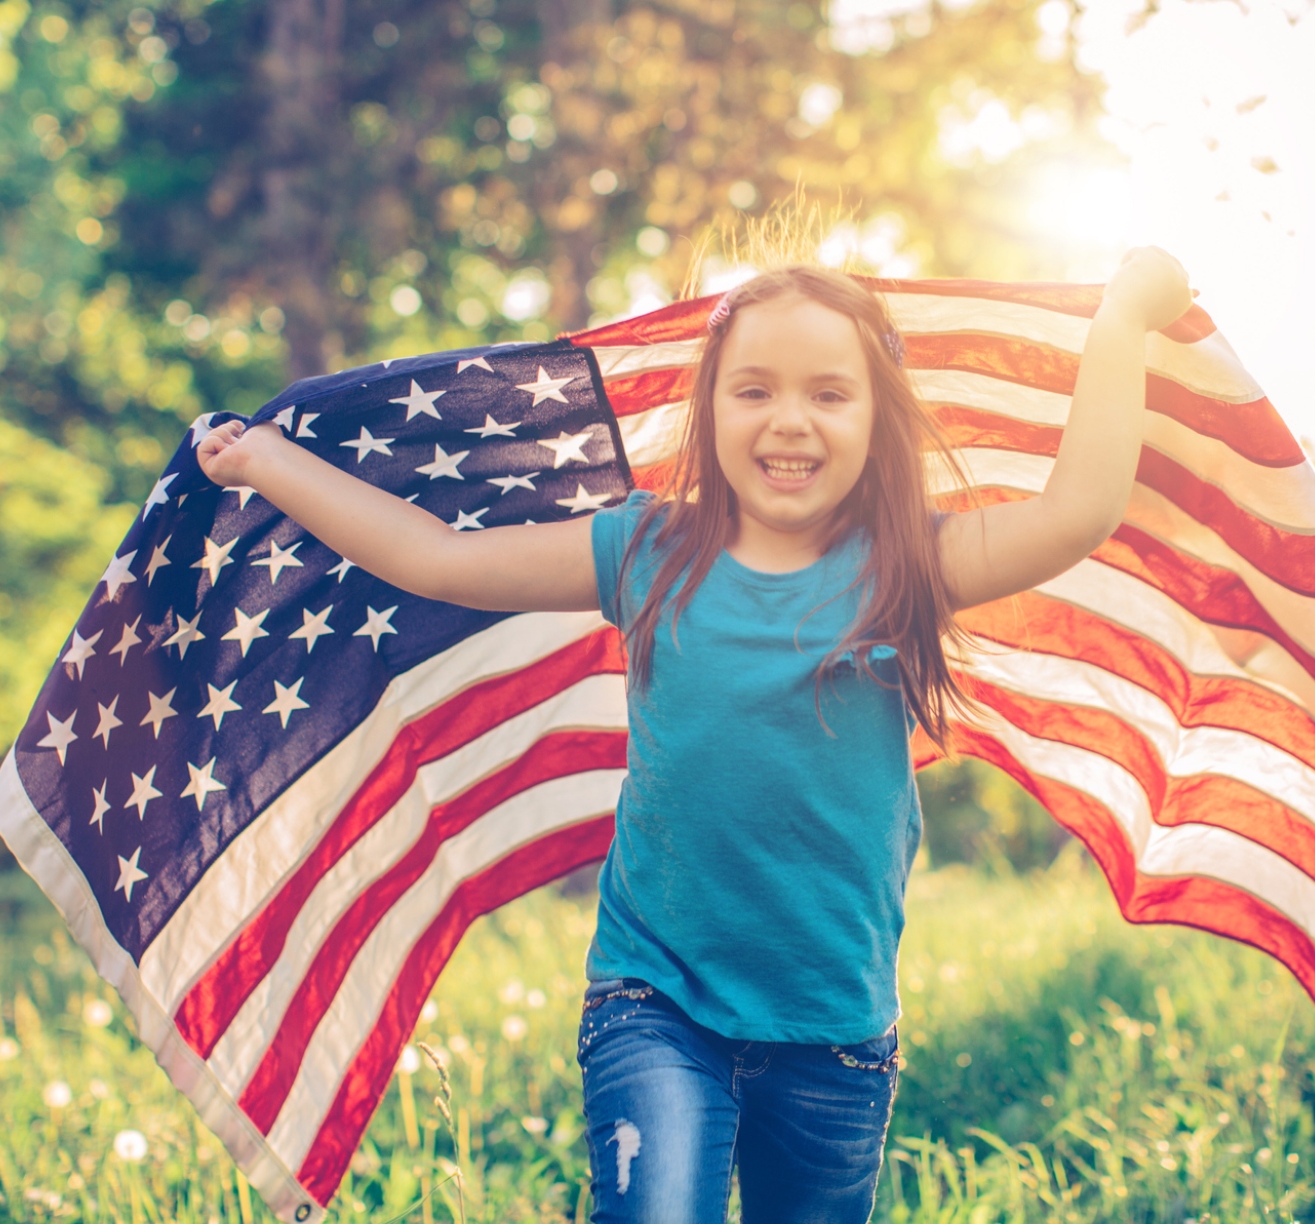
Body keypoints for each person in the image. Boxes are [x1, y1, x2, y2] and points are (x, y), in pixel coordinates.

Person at [196, 248, 1193, 1223]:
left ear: (877, 418)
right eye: (752, 390)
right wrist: (267, 463)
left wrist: (1120, 321)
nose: (788, 421)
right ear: (708, 409)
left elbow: (1076, 512)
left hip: (834, 1032)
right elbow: (440, 560)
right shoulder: (648, 548)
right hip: (655, 1001)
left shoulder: (907, 564)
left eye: (828, 395)